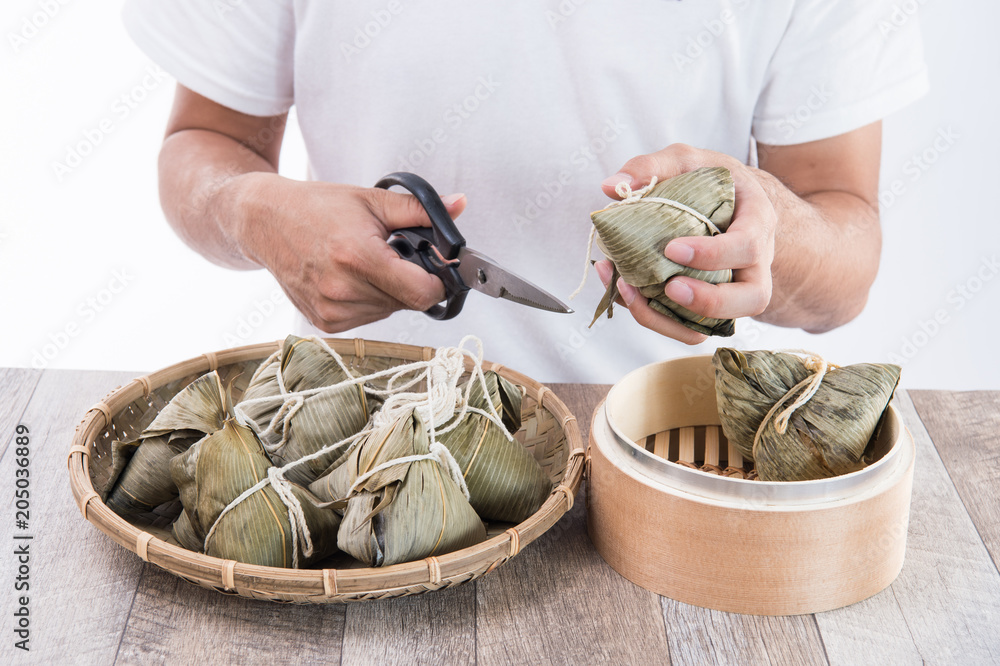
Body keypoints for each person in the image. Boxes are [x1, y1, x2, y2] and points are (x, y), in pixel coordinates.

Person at [122, 1, 927, 382]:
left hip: (658, 448)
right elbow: (206, 145)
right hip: (355, 441)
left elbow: (846, 251)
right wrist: (250, 210)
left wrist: (774, 229)